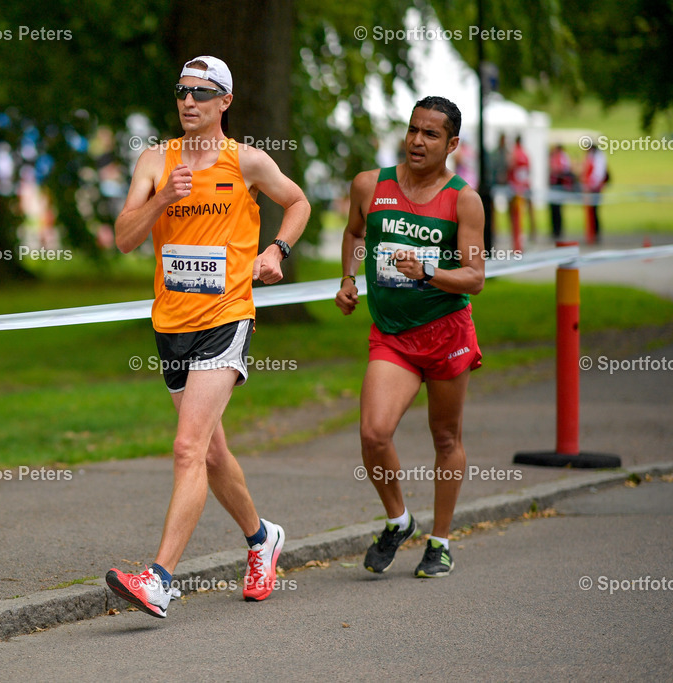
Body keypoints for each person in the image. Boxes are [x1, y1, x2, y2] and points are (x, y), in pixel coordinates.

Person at [106, 56, 310, 617]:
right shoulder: (155, 160)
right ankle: (262, 537)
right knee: (213, 453)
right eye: (181, 91)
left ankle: (159, 578)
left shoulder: (246, 160)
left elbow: (298, 202)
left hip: (227, 316)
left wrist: (276, 250)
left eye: (202, 92)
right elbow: (124, 238)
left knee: (187, 448)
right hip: (170, 323)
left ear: (225, 101)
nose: (188, 101)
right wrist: (162, 198)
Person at [335, 96, 485, 578]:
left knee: (445, 436)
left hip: (446, 335)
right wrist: (348, 279)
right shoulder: (369, 185)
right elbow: (356, 235)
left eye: (431, 134)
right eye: (413, 130)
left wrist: (428, 269)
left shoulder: (463, 199)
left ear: (452, 144)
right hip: (393, 336)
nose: (418, 141)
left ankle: (439, 542)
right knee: (373, 433)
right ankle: (399, 520)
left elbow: (475, 276)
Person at [507, 135, 533, 249]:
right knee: (522, 216)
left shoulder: (514, 154)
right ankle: (521, 242)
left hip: (515, 190)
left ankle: (517, 244)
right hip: (524, 188)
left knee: (515, 218)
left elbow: (510, 168)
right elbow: (528, 170)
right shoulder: (525, 154)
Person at [582, 141, 608, 244]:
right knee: (590, 212)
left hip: (594, 189)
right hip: (589, 188)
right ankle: (591, 235)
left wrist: (591, 185)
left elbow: (598, 173)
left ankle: (596, 234)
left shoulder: (599, 156)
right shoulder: (590, 156)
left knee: (595, 211)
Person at [548, 144, 574, 240]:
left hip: (559, 186)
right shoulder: (553, 157)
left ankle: (558, 230)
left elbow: (563, 170)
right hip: (553, 186)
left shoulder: (563, 157)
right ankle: (554, 230)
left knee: (558, 210)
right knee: (553, 210)